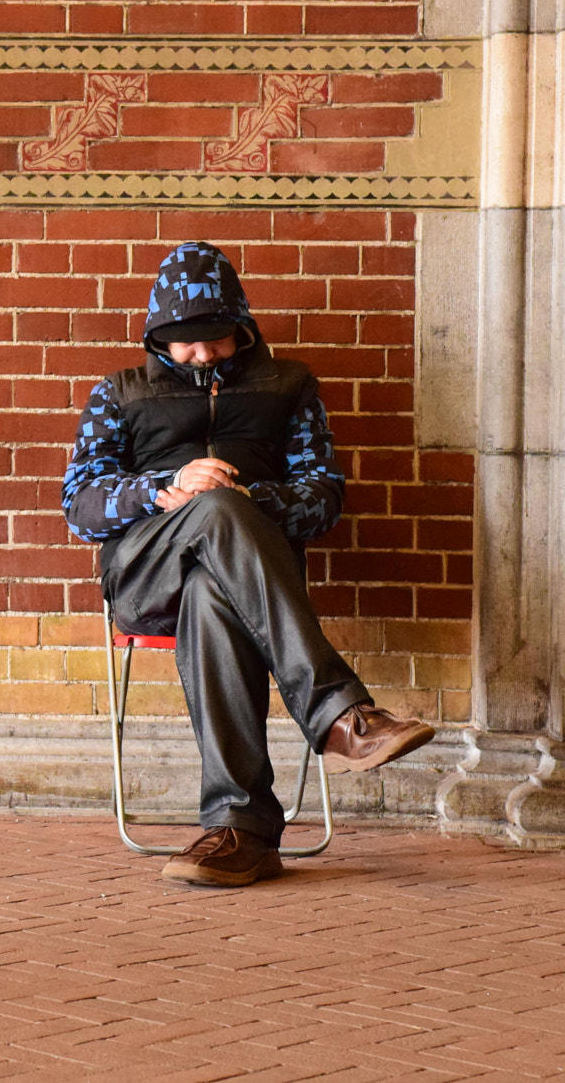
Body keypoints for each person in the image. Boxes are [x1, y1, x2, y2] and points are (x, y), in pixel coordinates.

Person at [62, 241, 434, 887]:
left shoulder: (289, 387)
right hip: (147, 572)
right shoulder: (119, 394)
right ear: (158, 338)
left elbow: (324, 498)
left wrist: (249, 498)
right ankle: (339, 715)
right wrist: (162, 488)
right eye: (184, 341)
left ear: (240, 327)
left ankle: (243, 831)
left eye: (214, 338)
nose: (202, 353)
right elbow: (80, 503)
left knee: (214, 582)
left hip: (244, 586)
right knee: (212, 514)